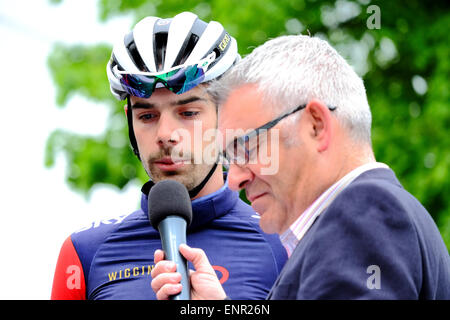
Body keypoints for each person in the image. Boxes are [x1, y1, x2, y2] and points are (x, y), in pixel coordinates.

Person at [151, 34, 450, 299]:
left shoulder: (363, 213)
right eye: (230, 156)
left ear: (316, 126)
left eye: (245, 147)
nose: (234, 179)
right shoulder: (371, 216)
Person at [51, 12, 287, 300]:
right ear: (130, 122)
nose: (166, 134)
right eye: (147, 115)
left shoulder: (287, 243)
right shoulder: (85, 252)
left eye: (188, 113)